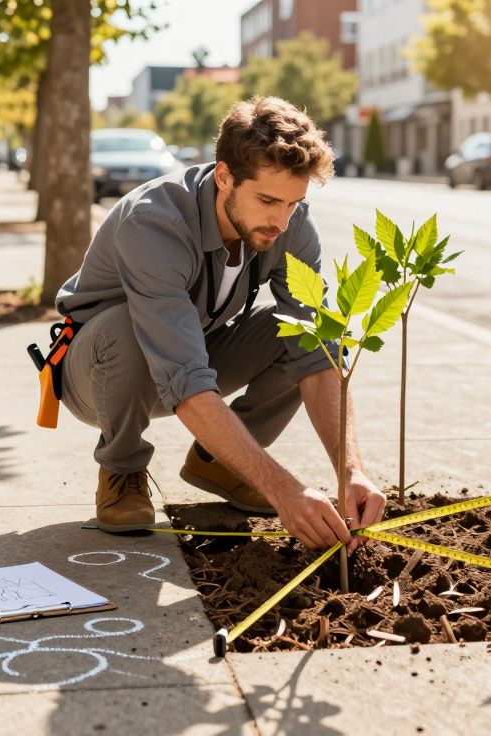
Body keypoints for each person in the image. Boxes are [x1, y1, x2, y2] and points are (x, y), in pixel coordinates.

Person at [55, 96, 384, 553]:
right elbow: (184, 379)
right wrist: (283, 490)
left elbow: (319, 351)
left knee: (297, 331)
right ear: (224, 176)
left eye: (293, 203)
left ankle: (222, 464)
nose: (281, 220)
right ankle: (122, 468)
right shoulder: (154, 222)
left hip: (193, 351)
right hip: (99, 371)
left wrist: (351, 473)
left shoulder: (290, 223)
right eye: (267, 200)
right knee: (128, 326)